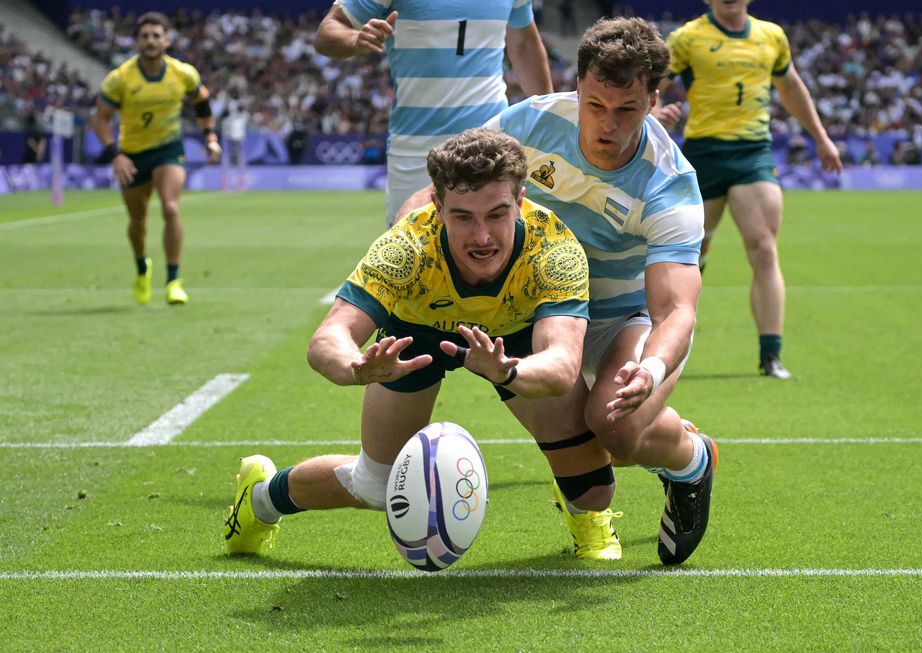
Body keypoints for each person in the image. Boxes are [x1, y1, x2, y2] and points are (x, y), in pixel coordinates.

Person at [224, 128, 625, 562]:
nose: (482, 236)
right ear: (437, 205)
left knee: (594, 490)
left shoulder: (554, 251)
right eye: (463, 217)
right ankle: (261, 497)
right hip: (416, 333)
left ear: (520, 200)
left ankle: (584, 515)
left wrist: (508, 371)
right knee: (377, 486)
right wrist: (356, 367)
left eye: (496, 214)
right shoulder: (406, 247)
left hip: (512, 338)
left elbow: (561, 364)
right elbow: (328, 338)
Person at [484, 17, 718, 566]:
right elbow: (449, 189)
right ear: (578, 87)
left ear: (654, 100)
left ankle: (692, 460)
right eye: (595, 104)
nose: (606, 124)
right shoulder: (529, 123)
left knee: (616, 426)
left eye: (626, 109)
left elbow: (676, 310)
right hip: (541, 311)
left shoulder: (669, 184)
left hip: (623, 319)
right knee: (586, 459)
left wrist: (651, 371)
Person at [656, 0, 842, 378]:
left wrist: (821, 138)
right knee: (688, 251)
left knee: (763, 247)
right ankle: (665, 344)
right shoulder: (687, 38)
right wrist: (652, 115)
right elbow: (650, 85)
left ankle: (771, 355)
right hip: (703, 154)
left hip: (753, 153)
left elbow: (791, 87)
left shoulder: (771, 36)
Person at [313, 0, 554, 227]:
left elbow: (524, 44)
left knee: (491, 246)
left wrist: (552, 120)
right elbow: (328, 32)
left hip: (491, 142)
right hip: (416, 151)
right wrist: (355, 39)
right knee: (407, 251)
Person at [89, 11, 221, 306]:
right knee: (138, 221)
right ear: (137, 41)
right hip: (133, 155)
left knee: (171, 208)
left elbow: (201, 101)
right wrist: (116, 155)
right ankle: (141, 267)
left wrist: (210, 138)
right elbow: (100, 120)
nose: (150, 41)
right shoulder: (120, 78)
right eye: (145, 36)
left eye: (156, 36)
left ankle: (174, 281)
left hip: (168, 149)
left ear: (166, 40)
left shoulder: (182, 73)